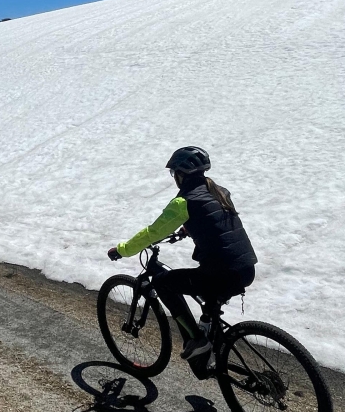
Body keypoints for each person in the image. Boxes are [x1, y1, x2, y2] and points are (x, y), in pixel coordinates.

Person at [108, 146, 257, 366]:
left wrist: (122, 250)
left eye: (173, 173)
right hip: (245, 267)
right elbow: (216, 220)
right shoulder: (219, 191)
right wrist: (190, 227)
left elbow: (153, 232)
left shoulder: (183, 202)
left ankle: (198, 340)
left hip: (221, 273)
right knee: (209, 304)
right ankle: (212, 352)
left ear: (181, 173)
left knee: (163, 282)